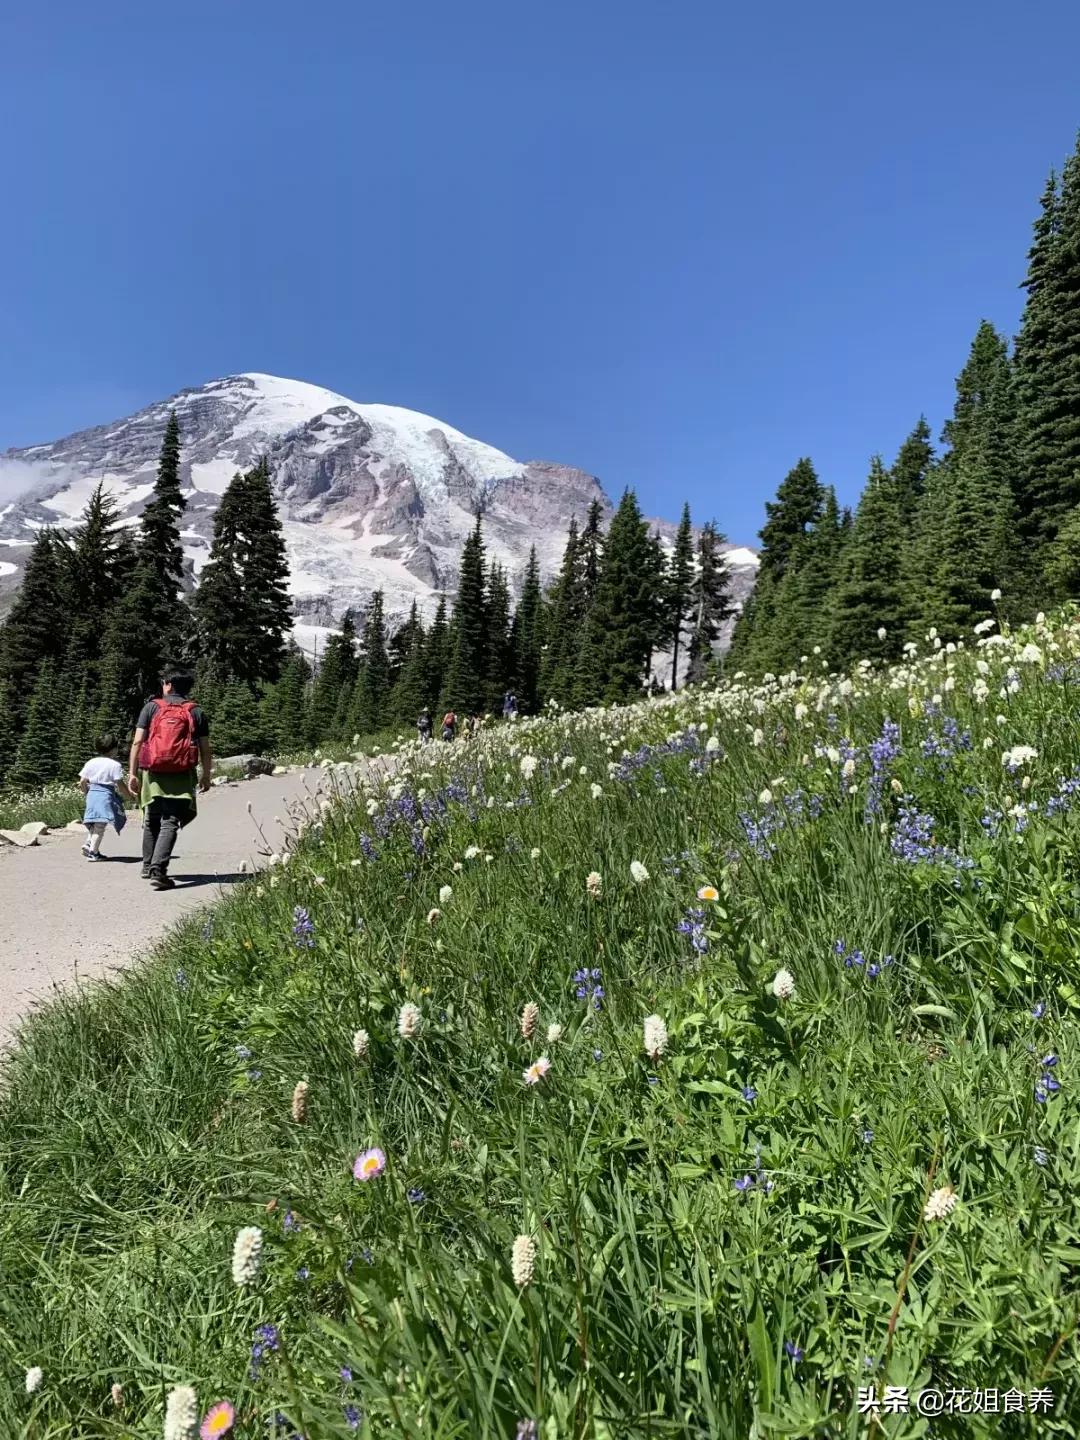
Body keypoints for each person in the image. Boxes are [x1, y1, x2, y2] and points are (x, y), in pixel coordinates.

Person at [127, 665, 213, 890]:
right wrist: (206, 775)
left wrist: (132, 773)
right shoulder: (196, 711)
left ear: (169, 685)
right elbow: (205, 748)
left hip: (152, 772)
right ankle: (159, 870)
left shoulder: (151, 708)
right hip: (181, 773)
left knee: (152, 818)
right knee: (170, 820)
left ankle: (148, 867)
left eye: (164, 682)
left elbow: (137, 742)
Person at [78, 733, 132, 861]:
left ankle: (88, 844)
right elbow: (120, 784)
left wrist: (86, 793)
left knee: (93, 822)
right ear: (113, 749)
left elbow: (82, 782)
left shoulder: (91, 762)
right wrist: (129, 796)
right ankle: (93, 853)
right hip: (105, 796)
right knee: (100, 826)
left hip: (92, 794)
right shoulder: (115, 765)